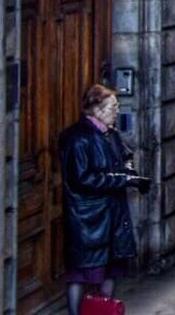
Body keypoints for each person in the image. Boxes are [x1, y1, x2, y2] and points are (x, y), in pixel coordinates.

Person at [59, 84, 149, 315]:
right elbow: (82, 179)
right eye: (112, 107)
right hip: (88, 219)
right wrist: (123, 180)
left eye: (117, 106)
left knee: (110, 268)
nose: (117, 110)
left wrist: (130, 172)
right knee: (81, 272)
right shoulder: (77, 138)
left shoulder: (110, 133)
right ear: (96, 110)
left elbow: (125, 155)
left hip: (111, 214)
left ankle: (103, 311)